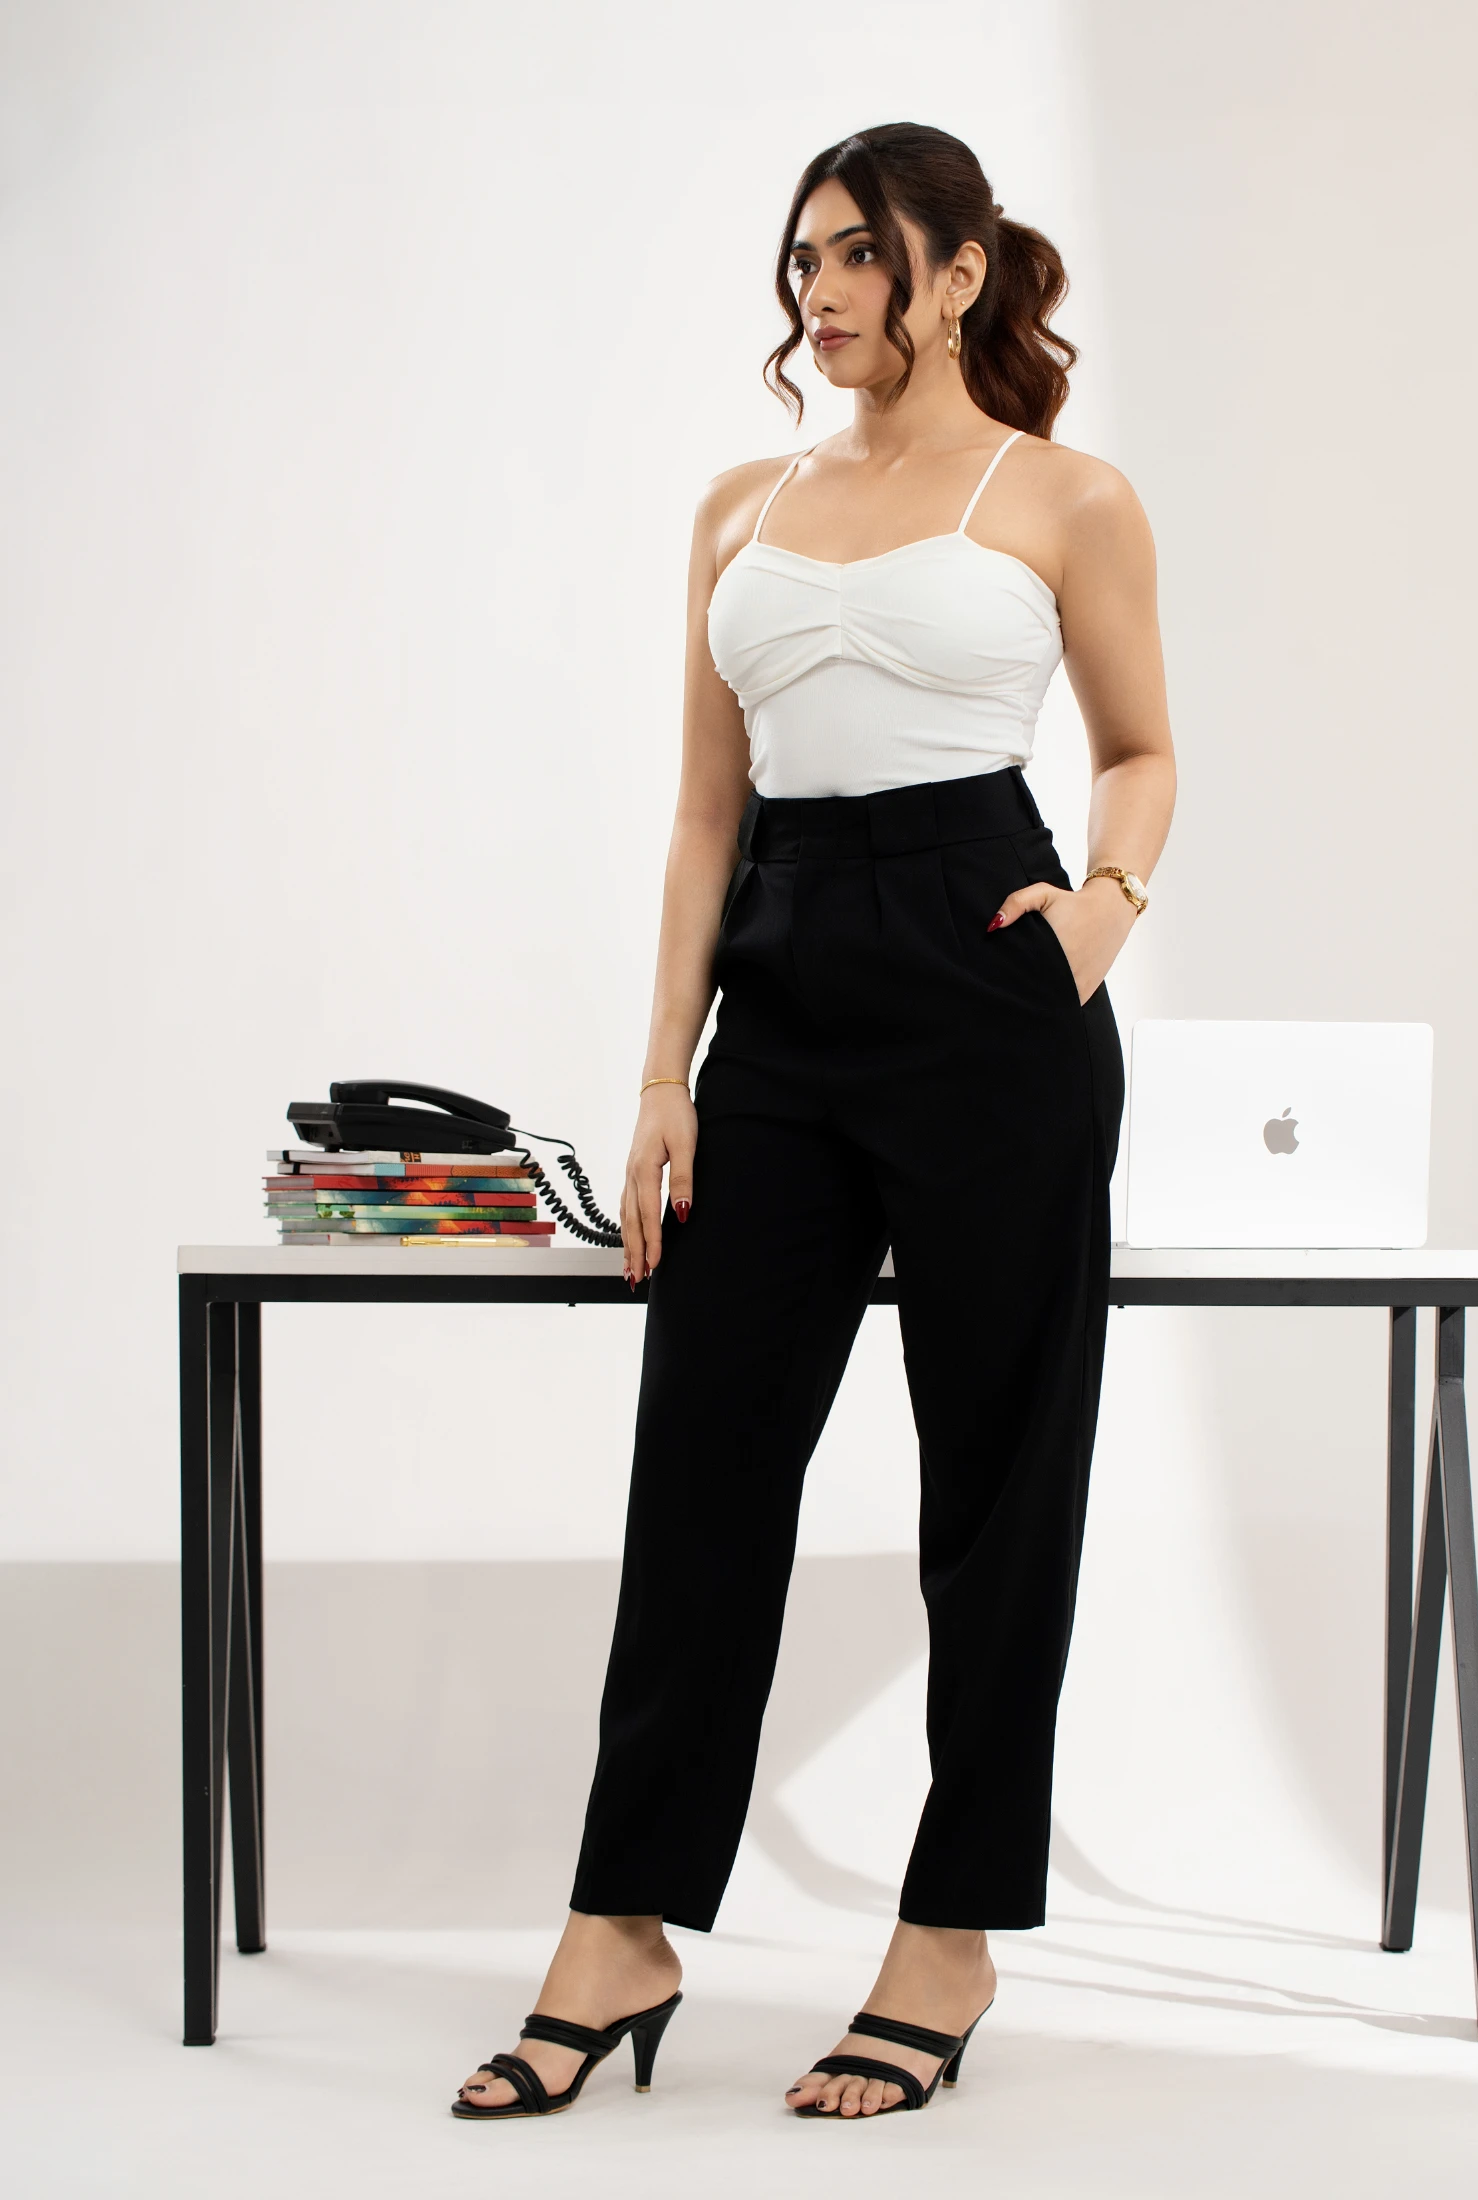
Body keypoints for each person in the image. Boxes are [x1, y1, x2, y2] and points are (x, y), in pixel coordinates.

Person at [452, 120, 1176, 2126]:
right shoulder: (737, 510)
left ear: (957, 272)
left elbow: (1138, 749)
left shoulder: (1064, 496)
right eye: (803, 259)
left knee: (996, 1481)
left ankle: (947, 1935)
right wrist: (659, 1077)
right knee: (704, 1463)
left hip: (985, 991)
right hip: (775, 1005)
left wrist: (1096, 923)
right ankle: (621, 1924)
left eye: (859, 253)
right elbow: (706, 812)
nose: (821, 291)